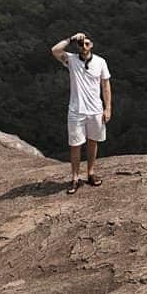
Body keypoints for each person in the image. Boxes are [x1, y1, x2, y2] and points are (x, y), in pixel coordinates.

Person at [50, 32, 112, 194]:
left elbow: (105, 86)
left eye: (87, 44)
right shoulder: (71, 60)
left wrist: (108, 108)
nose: (83, 47)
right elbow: (55, 50)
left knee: (93, 141)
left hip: (95, 110)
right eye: (81, 44)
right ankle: (75, 178)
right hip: (76, 110)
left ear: (91, 45)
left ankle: (90, 173)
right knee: (75, 145)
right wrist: (71, 39)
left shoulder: (100, 62)